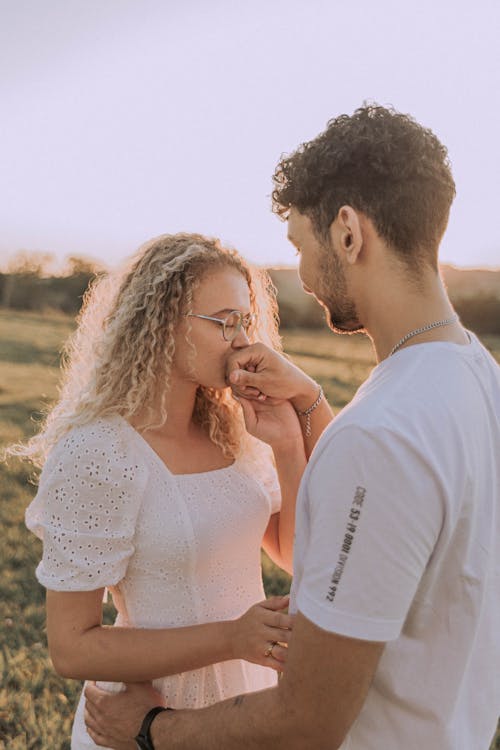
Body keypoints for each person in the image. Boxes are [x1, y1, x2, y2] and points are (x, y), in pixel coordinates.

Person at [84, 105, 500, 750]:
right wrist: (307, 405)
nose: (302, 273)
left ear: (348, 234)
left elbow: (306, 721)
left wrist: (150, 729)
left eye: (299, 246)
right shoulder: (478, 379)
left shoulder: (379, 435)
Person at [17, 233, 309, 749]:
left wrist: (287, 447)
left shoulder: (234, 432)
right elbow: (72, 649)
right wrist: (233, 638)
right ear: (162, 325)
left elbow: (292, 553)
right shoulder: (99, 451)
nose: (243, 340)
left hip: (247, 698)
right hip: (144, 714)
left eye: (246, 320)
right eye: (224, 322)